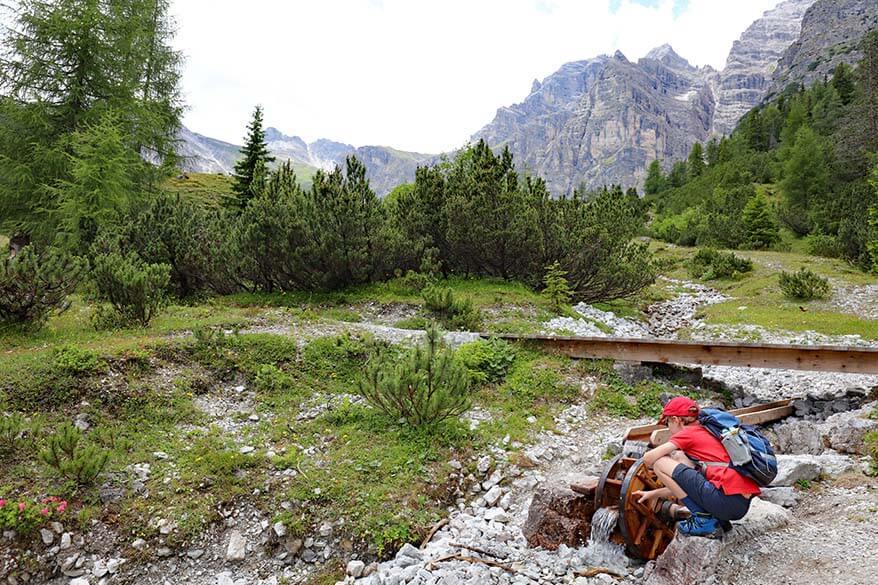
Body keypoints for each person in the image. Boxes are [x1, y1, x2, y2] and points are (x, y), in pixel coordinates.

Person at [632, 396, 760, 538]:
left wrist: (666, 453)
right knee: (680, 459)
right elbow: (688, 486)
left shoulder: (689, 433)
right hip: (738, 506)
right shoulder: (707, 431)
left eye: (667, 422)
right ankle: (719, 520)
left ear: (676, 419)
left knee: (660, 463)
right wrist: (652, 494)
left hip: (725, 501)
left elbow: (648, 459)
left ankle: (703, 519)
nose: (668, 427)